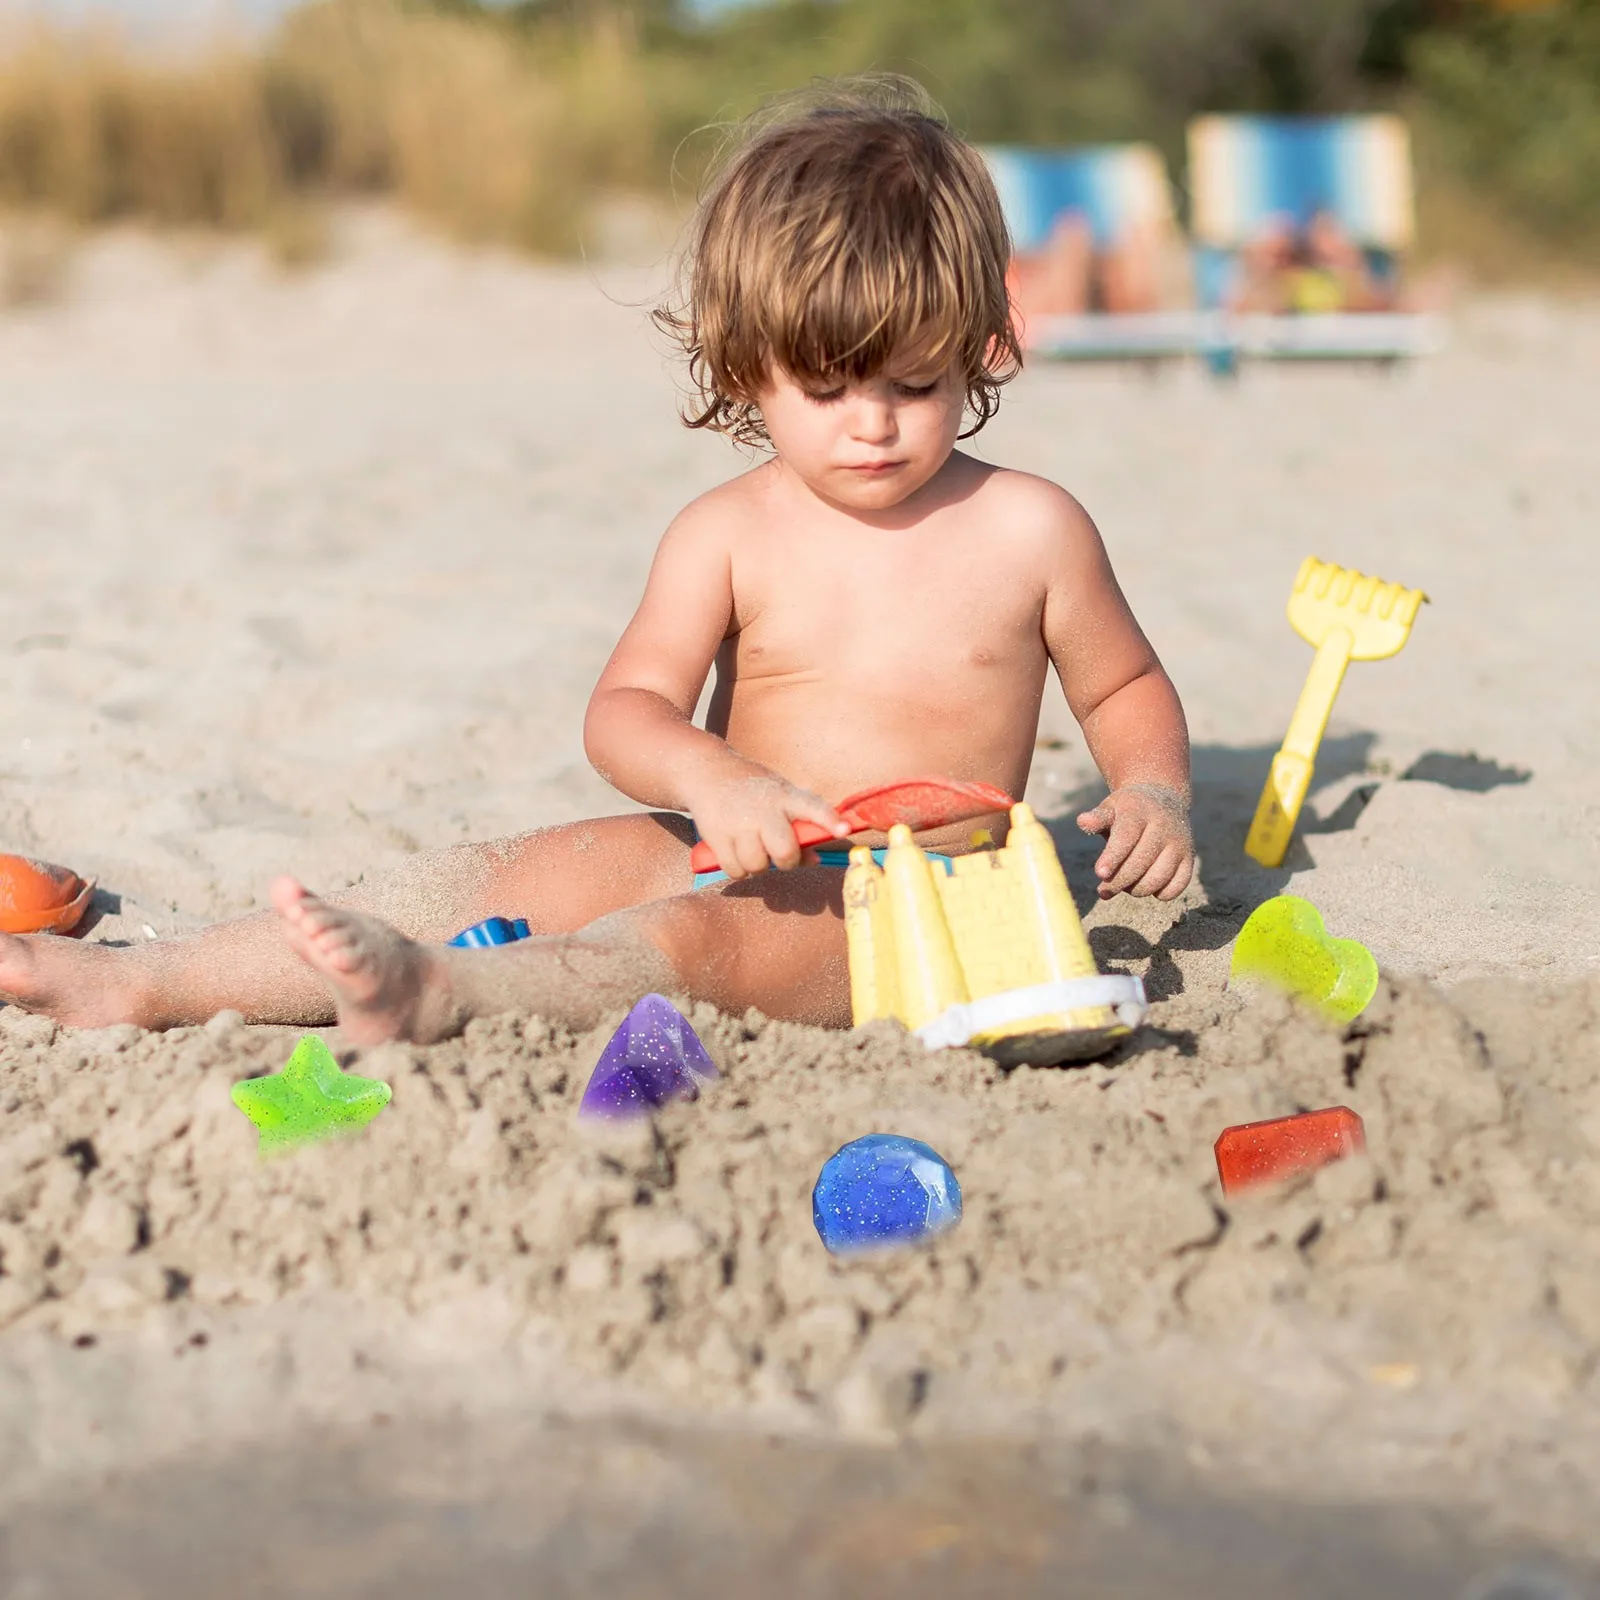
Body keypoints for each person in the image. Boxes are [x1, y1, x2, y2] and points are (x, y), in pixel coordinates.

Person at [0, 81, 1195, 1048]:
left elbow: (1122, 687)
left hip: (902, 904)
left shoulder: (1031, 529)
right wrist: (716, 776)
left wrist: (1150, 788)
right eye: (824, 387)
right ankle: (145, 980)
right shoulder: (727, 531)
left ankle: (445, 998)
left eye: (914, 384)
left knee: (683, 947)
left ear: (980, 348)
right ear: (745, 368)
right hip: (725, 836)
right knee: (488, 874)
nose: (870, 424)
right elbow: (625, 713)